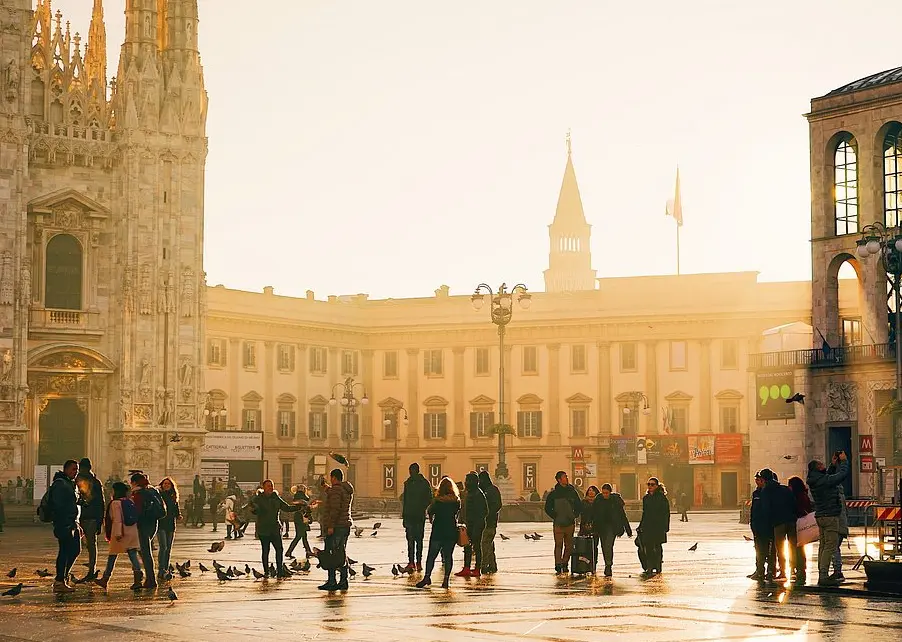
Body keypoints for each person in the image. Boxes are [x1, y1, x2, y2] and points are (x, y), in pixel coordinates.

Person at [807, 451, 849, 587]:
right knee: (830, 546)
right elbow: (840, 476)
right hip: (830, 516)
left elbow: (827, 478)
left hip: (821, 516)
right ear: (817, 468)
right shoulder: (823, 480)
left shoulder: (815, 480)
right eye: (821, 464)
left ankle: (822, 573)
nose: (823, 465)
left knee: (824, 546)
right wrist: (844, 462)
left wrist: (833, 465)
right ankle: (823, 576)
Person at [95, 481, 143, 590]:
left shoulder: (115, 503)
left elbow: (117, 520)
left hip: (121, 532)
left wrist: (117, 534)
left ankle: (105, 579)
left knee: (112, 555)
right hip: (132, 531)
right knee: (132, 554)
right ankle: (138, 578)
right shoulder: (129, 501)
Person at [250, 479, 302, 578]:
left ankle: (280, 571)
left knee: (279, 549)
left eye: (272, 485)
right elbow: (254, 510)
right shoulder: (258, 499)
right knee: (266, 550)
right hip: (263, 529)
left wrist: (298, 507)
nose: (271, 487)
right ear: (264, 487)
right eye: (268, 486)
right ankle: (266, 571)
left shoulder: (275, 497)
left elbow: (286, 507)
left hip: (274, 528)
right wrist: (253, 509)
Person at [416, 476, 461, 589]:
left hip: (438, 530)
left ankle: (427, 577)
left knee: (431, 556)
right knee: (448, 556)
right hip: (451, 530)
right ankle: (446, 580)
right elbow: (457, 514)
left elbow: (430, 511)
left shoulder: (437, 501)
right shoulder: (456, 501)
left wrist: (432, 519)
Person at [318, 469, 354, 591]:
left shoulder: (336, 490)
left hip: (337, 526)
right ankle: (343, 580)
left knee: (332, 554)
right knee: (340, 554)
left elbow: (335, 509)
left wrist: (330, 526)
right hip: (345, 525)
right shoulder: (345, 489)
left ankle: (332, 581)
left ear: (334, 478)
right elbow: (336, 496)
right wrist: (327, 489)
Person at [130, 471, 166, 589]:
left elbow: (138, 511)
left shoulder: (139, 493)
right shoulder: (153, 490)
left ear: (134, 482)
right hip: (153, 523)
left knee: (145, 552)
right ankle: (150, 578)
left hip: (143, 524)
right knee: (145, 551)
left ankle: (151, 580)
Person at [50, 459, 81, 593]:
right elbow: (58, 505)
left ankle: (62, 576)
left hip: (72, 522)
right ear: (66, 469)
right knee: (64, 551)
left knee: (75, 549)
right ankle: (59, 581)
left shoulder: (70, 484)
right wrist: (65, 521)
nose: (76, 472)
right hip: (64, 523)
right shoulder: (60, 484)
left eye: (77, 469)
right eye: (73, 469)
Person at [544, 470, 581, 575]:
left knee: (569, 545)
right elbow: (547, 508)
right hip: (558, 523)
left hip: (570, 522)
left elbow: (578, 504)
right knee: (558, 544)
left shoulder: (572, 492)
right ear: (559, 480)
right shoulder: (553, 494)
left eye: (566, 476)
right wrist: (555, 515)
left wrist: (575, 515)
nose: (567, 478)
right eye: (564, 477)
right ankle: (558, 564)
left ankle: (565, 562)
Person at [74, 457, 105, 583]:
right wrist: (100, 520)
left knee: (74, 545)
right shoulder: (96, 482)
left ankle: (66, 572)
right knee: (92, 545)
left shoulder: (76, 481)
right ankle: (92, 570)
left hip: (78, 517)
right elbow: (101, 502)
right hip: (92, 517)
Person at [593, 483, 632, 577]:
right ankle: (607, 564)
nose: (605, 495)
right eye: (603, 493)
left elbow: (622, 515)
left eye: (606, 493)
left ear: (610, 492)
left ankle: (608, 565)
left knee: (608, 546)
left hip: (612, 527)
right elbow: (594, 514)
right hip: (601, 527)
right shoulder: (598, 501)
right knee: (603, 546)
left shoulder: (616, 501)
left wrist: (628, 529)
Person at [401, 463, 434, 573]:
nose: (411, 472)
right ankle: (413, 562)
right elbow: (405, 500)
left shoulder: (421, 483)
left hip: (416, 515)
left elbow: (429, 498)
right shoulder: (409, 483)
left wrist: (421, 506)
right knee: (413, 540)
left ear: (416, 471)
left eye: (412, 470)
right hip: (413, 515)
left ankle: (416, 562)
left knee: (416, 540)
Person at [749, 469, 778, 586]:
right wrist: (752, 524)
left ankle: (771, 570)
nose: (757, 482)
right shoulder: (756, 493)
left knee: (770, 551)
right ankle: (759, 570)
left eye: (759, 480)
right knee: (758, 550)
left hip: (768, 526)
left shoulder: (769, 492)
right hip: (757, 526)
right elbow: (754, 510)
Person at [637, 476, 670, 577]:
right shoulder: (646, 498)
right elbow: (645, 513)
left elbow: (666, 513)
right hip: (648, 526)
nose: (650, 486)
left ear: (657, 486)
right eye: (649, 484)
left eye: (652, 484)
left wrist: (666, 527)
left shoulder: (662, 498)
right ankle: (650, 566)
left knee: (657, 546)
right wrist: (640, 526)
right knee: (648, 547)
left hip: (658, 526)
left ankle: (658, 565)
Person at [457, 472, 488, 578]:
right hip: (468, 524)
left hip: (476, 524)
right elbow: (464, 509)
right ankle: (466, 567)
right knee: (467, 546)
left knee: (476, 546)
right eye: (466, 481)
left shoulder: (478, 494)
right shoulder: (469, 493)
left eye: (468, 481)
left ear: (474, 482)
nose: (466, 483)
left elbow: (484, 511)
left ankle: (477, 568)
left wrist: (476, 526)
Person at [770, 474, 798, 582]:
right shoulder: (786, 490)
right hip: (791, 521)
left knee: (780, 548)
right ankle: (793, 569)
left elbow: (768, 508)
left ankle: (782, 571)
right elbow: (794, 503)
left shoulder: (770, 492)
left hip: (778, 523)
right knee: (792, 546)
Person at [787, 475, 813, 586]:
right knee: (798, 548)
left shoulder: (798, 496)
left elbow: (800, 509)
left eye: (790, 485)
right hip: (799, 525)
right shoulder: (803, 494)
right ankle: (798, 568)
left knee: (796, 548)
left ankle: (799, 569)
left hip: (798, 525)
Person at [827, 455, 850, 583]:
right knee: (834, 547)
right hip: (840, 524)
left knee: (834, 548)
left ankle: (838, 571)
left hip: (837, 524)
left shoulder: (834, 494)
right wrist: (834, 465)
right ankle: (837, 571)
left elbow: (840, 475)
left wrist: (844, 462)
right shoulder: (838, 493)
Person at [157, 477, 181, 582]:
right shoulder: (159, 495)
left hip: (171, 524)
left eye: (168, 484)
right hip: (161, 523)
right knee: (163, 546)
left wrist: (179, 515)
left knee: (168, 548)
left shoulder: (173, 496)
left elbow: (176, 508)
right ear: (162, 485)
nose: (166, 485)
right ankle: (161, 569)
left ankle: (166, 569)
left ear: (171, 486)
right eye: (164, 483)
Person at [478, 470, 502, 574]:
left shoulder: (485, 491)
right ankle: (493, 565)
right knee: (489, 544)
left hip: (487, 522)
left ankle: (484, 565)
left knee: (484, 544)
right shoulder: (494, 489)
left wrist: (487, 514)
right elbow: (498, 505)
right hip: (492, 521)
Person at [286, 484, 313, 559]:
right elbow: (307, 508)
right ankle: (289, 551)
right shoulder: (304, 497)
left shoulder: (296, 496)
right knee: (299, 536)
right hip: (303, 517)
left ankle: (308, 551)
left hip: (298, 517)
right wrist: (310, 517)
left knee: (303, 535)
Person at [578, 485, 600, 573]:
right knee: (584, 547)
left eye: (593, 490)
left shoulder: (598, 502)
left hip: (595, 528)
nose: (591, 492)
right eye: (589, 490)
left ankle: (593, 565)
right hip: (584, 527)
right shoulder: (583, 502)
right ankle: (584, 565)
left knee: (594, 547)